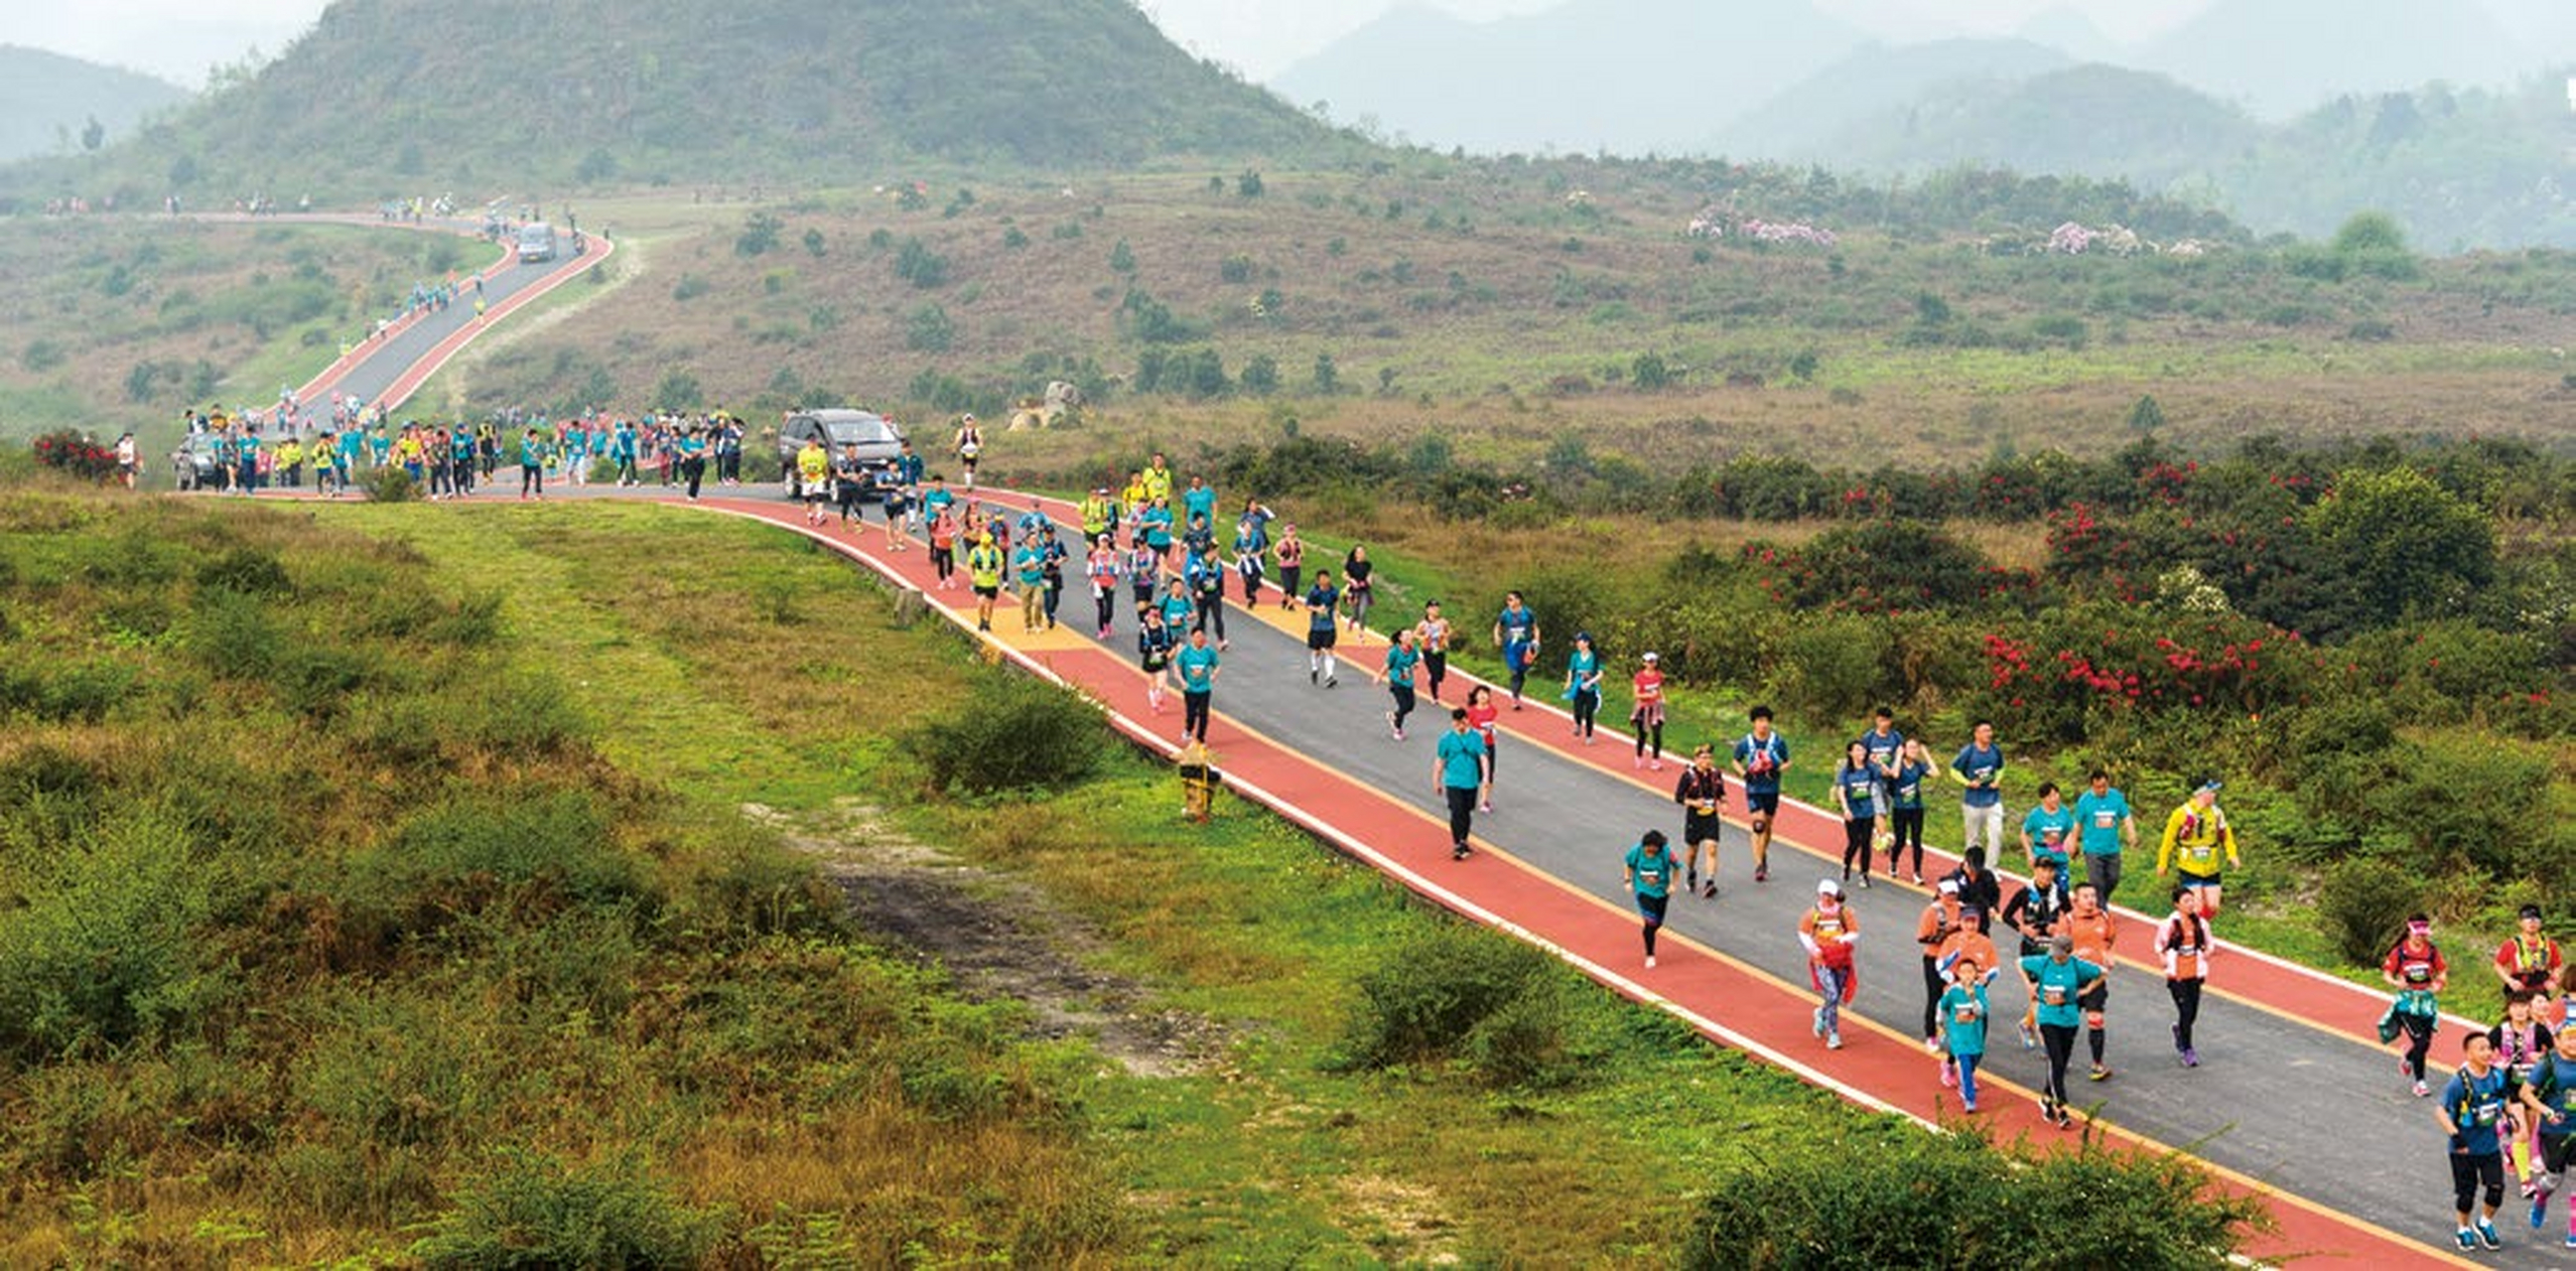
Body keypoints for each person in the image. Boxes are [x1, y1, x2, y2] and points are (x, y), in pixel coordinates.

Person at [2021, 932, 2105, 1129]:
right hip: (2048, 1017)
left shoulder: (2076, 965)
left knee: (2061, 1063)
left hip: (2069, 1018)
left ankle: (2046, 1097)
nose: (2055, 956)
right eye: (2054, 952)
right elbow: (2020, 963)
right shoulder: (2044, 962)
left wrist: (2086, 990)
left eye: (2059, 953)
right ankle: (2062, 1109)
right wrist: (2029, 985)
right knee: (2056, 1061)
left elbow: (2102, 973)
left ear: (2068, 952)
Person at [2441, 1032, 2517, 1251]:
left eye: (2488, 1048)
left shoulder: (2497, 1076)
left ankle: (2484, 1223)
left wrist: (2511, 1115)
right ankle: (2463, 1229)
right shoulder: (2459, 1082)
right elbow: (2440, 1110)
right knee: (2466, 1196)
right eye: (2480, 1049)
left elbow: (2504, 1099)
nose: (2486, 1053)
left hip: (2490, 1146)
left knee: (2496, 1189)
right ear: (2468, 1052)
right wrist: (2455, 1135)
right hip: (2464, 1148)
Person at [2001, 856, 2071, 1049]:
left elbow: (2071, 917)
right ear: (2035, 870)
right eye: (2043, 870)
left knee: (2048, 991)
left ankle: (2027, 1024)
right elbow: (2006, 915)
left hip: (2051, 949)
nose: (2047, 874)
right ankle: (2047, 1042)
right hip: (2031, 948)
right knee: (2037, 993)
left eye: (2051, 871)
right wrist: (2023, 928)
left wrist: (2057, 927)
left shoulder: (2060, 893)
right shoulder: (2025, 892)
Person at [2516, 1023, 2576, 1246]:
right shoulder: (2549, 1063)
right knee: (2553, 1179)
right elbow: (2525, 1093)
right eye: (2569, 1038)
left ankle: (2574, 1231)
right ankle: (2541, 1199)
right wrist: (2547, 1111)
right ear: (2558, 1041)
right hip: (2555, 1131)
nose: (2574, 1042)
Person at [2493, 990, 2554, 1199]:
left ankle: (2510, 1152)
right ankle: (2526, 1182)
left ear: (2529, 1008)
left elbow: (2557, 1054)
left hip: (2532, 1088)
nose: (2519, 1011)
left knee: (2527, 1130)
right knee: (2523, 1133)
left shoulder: (2539, 1031)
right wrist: (2496, 1063)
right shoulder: (2499, 1032)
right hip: (2509, 1090)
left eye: (2523, 1007)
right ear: (2508, 1009)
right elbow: (2481, 1053)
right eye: (2515, 1007)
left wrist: (2543, 1057)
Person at [2056, 882, 2118, 1081]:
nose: (2091, 900)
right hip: (2073, 980)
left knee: (2096, 1020)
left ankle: (2097, 1065)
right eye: (2086, 896)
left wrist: (2106, 954)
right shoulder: (2068, 921)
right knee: (2068, 1023)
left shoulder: (2104, 917)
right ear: (2076, 899)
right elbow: (2059, 950)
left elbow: (2110, 939)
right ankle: (2061, 1059)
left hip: (2096, 979)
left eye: (2093, 896)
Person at [2156, 777, 2241, 919]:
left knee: (2213, 906)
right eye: (2212, 792)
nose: (2215, 795)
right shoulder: (2181, 813)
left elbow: (2227, 837)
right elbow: (2168, 840)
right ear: (2201, 793)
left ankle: (2197, 926)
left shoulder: (2217, 813)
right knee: (2197, 907)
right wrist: (2163, 863)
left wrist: (2232, 855)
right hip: (2189, 866)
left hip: (2211, 866)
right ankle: (2194, 933)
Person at [2386, 915, 2451, 1097]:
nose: (2421, 937)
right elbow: (2387, 974)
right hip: (2407, 1004)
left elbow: (2443, 971)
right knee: (2421, 1042)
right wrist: (2396, 983)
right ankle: (2420, 1083)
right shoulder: (2400, 952)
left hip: (2426, 1003)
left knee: (2425, 1043)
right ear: (2409, 931)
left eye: (2424, 934)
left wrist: (2438, 984)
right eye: (2417, 934)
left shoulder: (2432, 951)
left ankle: (2407, 1057)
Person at [2154, 886, 2214, 1067]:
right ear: (2176, 904)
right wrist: (2162, 957)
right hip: (2177, 974)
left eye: (2192, 900)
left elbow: (2209, 943)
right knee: (2186, 1011)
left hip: (2195, 972)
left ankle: (2180, 1030)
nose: (2190, 904)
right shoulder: (2169, 924)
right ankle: (2187, 1050)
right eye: (2186, 901)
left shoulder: (2201, 924)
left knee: (2192, 1012)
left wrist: (2207, 953)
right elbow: (2159, 944)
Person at [1731, 706, 1789, 885]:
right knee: (1758, 824)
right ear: (1754, 723)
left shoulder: (1777, 741)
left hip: (1771, 788)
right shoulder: (1746, 742)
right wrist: (1744, 773)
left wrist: (1776, 768)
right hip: (1754, 788)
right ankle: (1758, 865)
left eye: (1766, 721)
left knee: (1768, 826)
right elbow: (1735, 760)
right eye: (1759, 721)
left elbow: (1788, 761)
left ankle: (1762, 854)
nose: (1763, 725)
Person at [1800, 879, 1859, 1051]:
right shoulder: (1812, 914)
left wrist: (1843, 938)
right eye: (1824, 894)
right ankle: (1833, 1033)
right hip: (1822, 960)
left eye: (1830, 895)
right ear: (1819, 894)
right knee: (1832, 994)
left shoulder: (1844, 913)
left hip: (1841, 959)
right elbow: (1803, 933)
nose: (1827, 898)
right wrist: (1813, 949)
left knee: (1837, 993)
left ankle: (1822, 1012)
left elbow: (1854, 932)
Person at [1916, 881, 1968, 1050]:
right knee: (1934, 996)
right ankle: (1931, 1035)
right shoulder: (1932, 911)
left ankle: (1955, 1031)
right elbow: (1922, 938)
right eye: (1947, 893)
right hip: (1935, 958)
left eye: (1953, 893)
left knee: (1959, 996)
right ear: (1939, 893)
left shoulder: (1962, 909)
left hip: (1957, 959)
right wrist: (1945, 931)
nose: (1951, 897)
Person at [1939, 954, 1993, 1113]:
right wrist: (1940, 1024)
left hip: (1975, 1035)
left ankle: (1962, 1077)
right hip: (1958, 1036)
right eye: (1963, 972)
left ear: (1976, 974)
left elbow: (1982, 1011)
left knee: (1974, 1061)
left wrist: (1972, 997)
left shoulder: (1980, 991)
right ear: (1959, 974)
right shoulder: (1953, 991)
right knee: (1964, 1063)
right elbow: (1942, 1006)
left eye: (1970, 971)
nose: (1967, 975)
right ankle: (1969, 1099)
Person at [2072, 769, 2135, 904]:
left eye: (2104, 786)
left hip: (2112, 848)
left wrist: (2131, 834)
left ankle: (2101, 900)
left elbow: (2126, 816)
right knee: (2096, 882)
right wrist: (2074, 843)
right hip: (2092, 849)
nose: (2102, 789)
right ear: (2092, 786)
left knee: (2113, 878)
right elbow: (2078, 824)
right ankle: (2101, 909)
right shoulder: (2084, 800)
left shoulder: (2116, 797)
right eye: (2098, 787)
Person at [1674, 745, 1726, 899]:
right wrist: (1693, 802)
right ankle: (1691, 871)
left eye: (1709, 757)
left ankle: (1710, 882)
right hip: (1694, 817)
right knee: (1692, 852)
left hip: (1711, 816)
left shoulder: (1716, 774)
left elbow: (1721, 793)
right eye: (1703, 758)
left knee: (1712, 848)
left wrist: (1724, 803)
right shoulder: (1688, 776)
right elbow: (1678, 797)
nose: (1707, 761)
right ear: (1696, 760)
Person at [1625, 829, 1683, 968]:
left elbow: (1677, 867)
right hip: (1643, 891)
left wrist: (1673, 884)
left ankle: (1648, 932)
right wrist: (1627, 881)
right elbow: (1629, 865)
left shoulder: (1666, 853)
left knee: (1657, 923)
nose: (1650, 852)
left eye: (1654, 850)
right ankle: (1650, 954)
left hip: (1662, 892)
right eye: (1648, 849)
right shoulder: (1636, 852)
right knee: (1650, 922)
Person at [1434, 708, 1487, 861]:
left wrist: (1486, 778)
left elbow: (1483, 757)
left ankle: (1464, 839)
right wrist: (1436, 780)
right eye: (1456, 723)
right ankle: (1458, 844)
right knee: (1456, 811)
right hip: (1453, 781)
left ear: (1467, 720)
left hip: (1471, 781)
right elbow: (1440, 760)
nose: (1459, 725)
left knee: (1466, 811)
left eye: (1462, 722)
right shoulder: (1446, 739)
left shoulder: (1476, 737)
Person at [1951, 719, 2005, 861]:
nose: (1989, 734)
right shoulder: (1968, 752)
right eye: (1985, 731)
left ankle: (1991, 868)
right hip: (1973, 802)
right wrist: (1968, 783)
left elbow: (2001, 767)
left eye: (1990, 730)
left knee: (1996, 834)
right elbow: (1953, 770)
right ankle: (1971, 867)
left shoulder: (1995, 750)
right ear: (1976, 734)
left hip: (1993, 800)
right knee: (1973, 838)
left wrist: (1997, 780)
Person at [2496, 905, 2564, 1014]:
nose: (2532, 923)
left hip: (2540, 987)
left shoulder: (2549, 944)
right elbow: (2498, 965)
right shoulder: (2511, 944)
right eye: (2528, 920)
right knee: (2519, 1019)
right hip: (2519, 988)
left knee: (2541, 1018)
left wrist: (2554, 980)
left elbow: (2557, 965)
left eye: (2536, 920)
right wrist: (2510, 981)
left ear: (2540, 923)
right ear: (2520, 923)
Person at [1887, 739, 1936, 885]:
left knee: (1916, 841)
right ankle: (1893, 862)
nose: (1914, 750)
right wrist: (1898, 756)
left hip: (1916, 808)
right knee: (1900, 840)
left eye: (1916, 748)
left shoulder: (1919, 765)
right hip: (1900, 808)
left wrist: (1926, 754)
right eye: (1911, 748)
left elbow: (1935, 773)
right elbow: (1894, 775)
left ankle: (1917, 872)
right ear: (1903, 749)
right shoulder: (1897, 764)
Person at [1833, 741, 1879, 890]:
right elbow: (1841, 790)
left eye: (1863, 750)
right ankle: (1846, 864)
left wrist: (1879, 763)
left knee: (1866, 843)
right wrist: (1846, 809)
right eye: (1858, 750)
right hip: (1853, 812)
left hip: (1868, 811)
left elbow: (1882, 779)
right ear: (1850, 753)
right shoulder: (1846, 771)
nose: (1861, 753)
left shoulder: (1870, 769)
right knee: (1854, 842)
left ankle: (1864, 874)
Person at [2021, 782, 2077, 890]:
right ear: (2043, 799)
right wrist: (2029, 853)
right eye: (2051, 796)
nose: (2055, 799)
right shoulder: (2035, 814)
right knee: (2044, 889)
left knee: (2063, 889)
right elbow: (2024, 833)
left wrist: (2071, 844)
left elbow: (2072, 830)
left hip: (2060, 856)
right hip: (2042, 857)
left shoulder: (2064, 812)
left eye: (2056, 795)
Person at [1493, 592, 1540, 709]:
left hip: (1525, 646)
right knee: (1514, 671)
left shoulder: (1528, 613)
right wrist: (1497, 636)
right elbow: (1498, 626)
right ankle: (1515, 698)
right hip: (1511, 647)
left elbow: (1535, 627)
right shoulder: (1505, 613)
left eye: (1511, 599)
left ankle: (1517, 694)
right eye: (1508, 600)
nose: (1509, 602)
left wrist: (1536, 641)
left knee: (1521, 672)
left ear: (1519, 600)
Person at [1173, 626, 1219, 745]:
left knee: (1204, 714)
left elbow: (1217, 665)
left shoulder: (1209, 652)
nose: (1200, 639)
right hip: (1190, 688)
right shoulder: (1186, 651)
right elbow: (1177, 666)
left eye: (1202, 636)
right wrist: (1182, 681)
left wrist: (1214, 675)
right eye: (1197, 636)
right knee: (1191, 714)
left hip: (1204, 688)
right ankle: (1188, 729)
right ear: (1192, 637)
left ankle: (1200, 738)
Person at [1377, 627, 1422, 741]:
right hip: (1396, 681)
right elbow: (1387, 665)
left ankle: (1394, 715)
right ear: (1400, 638)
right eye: (1406, 635)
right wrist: (1379, 676)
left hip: (1408, 682)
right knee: (1403, 705)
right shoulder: (1394, 651)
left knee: (1410, 706)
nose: (1409, 637)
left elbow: (1416, 661)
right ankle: (1397, 730)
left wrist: (1415, 665)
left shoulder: (1414, 650)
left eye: (1410, 635)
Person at [1463, 685, 1500, 812]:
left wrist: (1493, 730)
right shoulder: (1471, 712)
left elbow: (1492, 724)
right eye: (1480, 694)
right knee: (1474, 774)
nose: (1483, 696)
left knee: (1488, 774)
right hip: (1475, 747)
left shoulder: (1493, 710)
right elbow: (1466, 729)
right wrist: (1478, 732)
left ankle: (1484, 801)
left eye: (1486, 694)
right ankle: (1467, 796)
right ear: (1475, 696)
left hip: (1489, 745)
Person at [1233, 499, 1275, 605]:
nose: (1254, 506)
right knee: (1248, 569)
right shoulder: (1245, 516)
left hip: (1260, 540)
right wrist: (1246, 532)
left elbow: (1272, 517)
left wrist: (1263, 507)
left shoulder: (1260, 515)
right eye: (1252, 505)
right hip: (1248, 541)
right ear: (1248, 506)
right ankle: (1251, 590)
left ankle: (1256, 581)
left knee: (1261, 563)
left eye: (1255, 505)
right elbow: (1238, 526)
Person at [1303, 569, 1341, 687]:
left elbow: (1336, 602)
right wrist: (1317, 609)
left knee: (1329, 649)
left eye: (1327, 578)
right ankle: (1315, 668)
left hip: (1329, 626)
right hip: (1316, 627)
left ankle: (1329, 676)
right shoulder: (1314, 592)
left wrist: (1337, 611)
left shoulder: (1334, 591)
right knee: (1316, 651)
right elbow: (1307, 606)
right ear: (1318, 580)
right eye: (1322, 578)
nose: (1325, 580)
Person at [1563, 634, 1604, 745]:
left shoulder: (1595, 657)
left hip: (1591, 688)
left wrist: (1590, 682)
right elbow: (1571, 670)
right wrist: (1568, 681)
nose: (1577, 644)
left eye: (1580, 641)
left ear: (1587, 643)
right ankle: (1577, 723)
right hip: (1578, 687)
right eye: (1577, 642)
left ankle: (1589, 736)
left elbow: (1600, 674)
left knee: (1588, 712)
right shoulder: (1575, 656)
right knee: (1577, 709)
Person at [1629, 650, 1666, 769]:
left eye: (1653, 661)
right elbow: (1636, 694)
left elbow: (1659, 688)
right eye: (1649, 662)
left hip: (1656, 709)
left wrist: (1662, 697)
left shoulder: (1659, 675)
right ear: (1644, 663)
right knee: (1643, 735)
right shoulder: (1639, 676)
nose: (1651, 664)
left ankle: (1655, 759)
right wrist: (1649, 696)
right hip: (1643, 708)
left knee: (1657, 734)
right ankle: (1639, 755)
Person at [1137, 606, 1175, 714]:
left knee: (1161, 684)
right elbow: (1140, 648)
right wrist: (1150, 649)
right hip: (1149, 659)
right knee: (1152, 683)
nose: (1155, 618)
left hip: (1162, 659)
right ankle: (1154, 705)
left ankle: (1160, 698)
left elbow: (1170, 643)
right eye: (1153, 615)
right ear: (1148, 616)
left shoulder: (1164, 627)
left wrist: (1168, 651)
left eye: (1157, 615)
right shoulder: (1144, 630)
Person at [964, 533, 1006, 633]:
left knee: (990, 605)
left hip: (992, 582)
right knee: (981, 601)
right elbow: (970, 565)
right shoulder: (975, 551)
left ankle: (988, 622)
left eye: (988, 543)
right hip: (980, 581)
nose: (986, 545)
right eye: (984, 543)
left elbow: (1001, 564)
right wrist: (972, 576)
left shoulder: (996, 551)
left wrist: (999, 572)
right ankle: (981, 620)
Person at [1086, 534, 1124, 638]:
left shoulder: (1113, 554)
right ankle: (1101, 629)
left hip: (1110, 582)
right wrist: (1092, 574)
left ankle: (1107, 623)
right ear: (1099, 542)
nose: (1104, 544)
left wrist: (1115, 576)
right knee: (1101, 608)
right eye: (1102, 541)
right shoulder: (1094, 555)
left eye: (1106, 541)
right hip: (1098, 583)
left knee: (1110, 608)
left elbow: (1117, 567)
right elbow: (1089, 568)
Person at [1415, 601, 1453, 702]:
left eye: (1437, 608)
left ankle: (1434, 677)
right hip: (1428, 651)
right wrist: (1423, 637)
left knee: (1441, 676)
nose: (1436, 610)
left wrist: (1445, 636)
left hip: (1440, 650)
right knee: (1434, 674)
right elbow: (1415, 634)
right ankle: (1434, 696)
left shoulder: (1443, 622)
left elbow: (1449, 631)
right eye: (1433, 608)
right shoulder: (1423, 624)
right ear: (1427, 610)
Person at [1012, 533, 1048, 634]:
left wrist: (1041, 566)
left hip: (1038, 581)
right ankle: (1028, 624)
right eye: (1032, 539)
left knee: (1038, 602)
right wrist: (1025, 565)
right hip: (1025, 581)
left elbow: (1045, 562)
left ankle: (1038, 624)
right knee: (1026, 605)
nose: (1035, 541)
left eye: (1036, 539)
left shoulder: (1040, 551)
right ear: (1027, 541)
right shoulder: (1022, 553)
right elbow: (1016, 567)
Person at [796, 434, 832, 526]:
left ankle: (819, 515)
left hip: (818, 477)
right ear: (808, 442)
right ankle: (809, 514)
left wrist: (827, 475)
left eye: (814, 442)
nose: (813, 444)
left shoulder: (821, 452)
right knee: (807, 498)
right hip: (807, 477)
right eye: (811, 442)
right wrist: (803, 474)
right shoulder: (803, 453)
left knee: (819, 495)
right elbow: (800, 465)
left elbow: (825, 465)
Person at [1341, 545, 1375, 640]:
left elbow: (1369, 576)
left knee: (1362, 612)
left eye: (1363, 552)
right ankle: (1351, 621)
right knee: (1355, 613)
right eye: (1359, 552)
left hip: (1364, 590)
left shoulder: (1368, 565)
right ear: (1355, 554)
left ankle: (1361, 633)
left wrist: (1368, 581)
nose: (1361, 554)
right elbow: (1344, 575)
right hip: (1353, 591)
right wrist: (1351, 580)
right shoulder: (1350, 565)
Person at [927, 502, 960, 591]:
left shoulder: (951, 520)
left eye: (946, 509)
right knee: (941, 563)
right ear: (939, 511)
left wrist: (953, 535)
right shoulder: (935, 521)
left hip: (949, 545)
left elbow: (956, 529)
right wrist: (942, 537)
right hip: (939, 545)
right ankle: (942, 580)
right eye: (942, 510)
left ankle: (949, 577)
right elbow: (933, 533)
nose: (944, 511)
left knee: (950, 562)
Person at [1275, 523, 1305, 612]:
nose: (1291, 533)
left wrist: (1300, 557)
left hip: (1295, 566)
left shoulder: (1298, 542)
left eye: (1293, 531)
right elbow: (1275, 550)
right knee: (1287, 585)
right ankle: (1287, 600)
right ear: (1286, 532)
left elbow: (1302, 553)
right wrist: (1280, 557)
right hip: (1285, 567)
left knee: (1294, 586)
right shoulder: (1282, 542)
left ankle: (1290, 603)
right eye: (1289, 531)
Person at [952, 414, 982, 490]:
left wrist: (980, 446)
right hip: (965, 450)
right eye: (967, 421)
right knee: (967, 466)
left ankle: (971, 481)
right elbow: (957, 440)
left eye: (970, 421)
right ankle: (968, 484)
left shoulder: (976, 430)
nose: (969, 423)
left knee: (972, 467)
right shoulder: (961, 431)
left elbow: (980, 439)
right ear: (964, 422)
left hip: (974, 450)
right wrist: (954, 448)